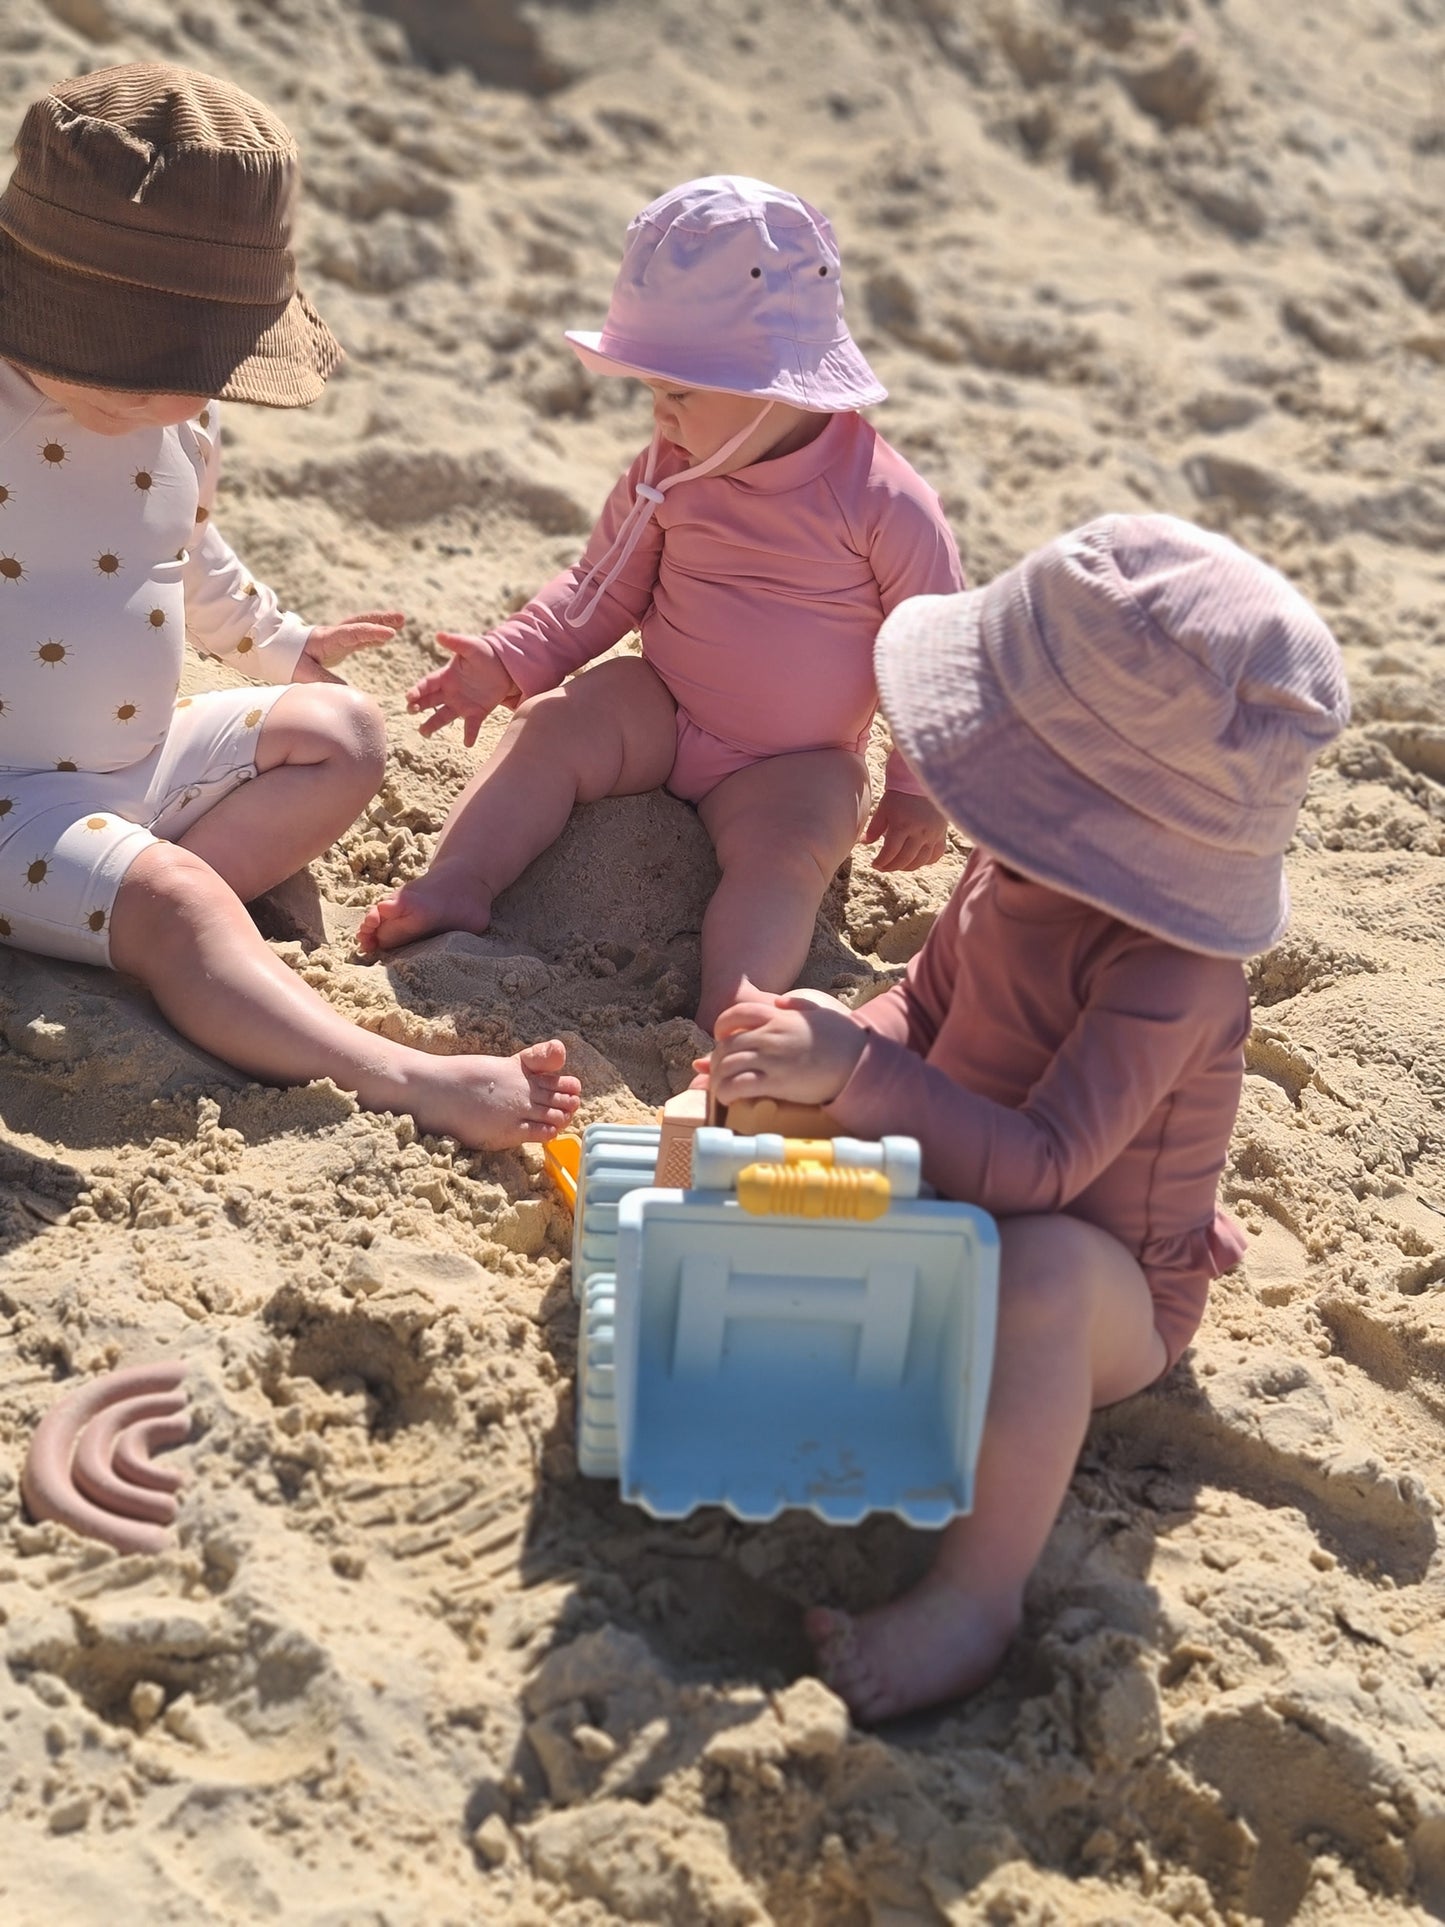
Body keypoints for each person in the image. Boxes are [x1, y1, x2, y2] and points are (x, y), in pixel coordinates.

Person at [705, 514, 1350, 1721]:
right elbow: (922, 1004)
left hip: (1103, 1292)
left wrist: (861, 1076)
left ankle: (976, 1591)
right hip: (960, 1191)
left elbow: (1046, 1170)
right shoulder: (1008, 870)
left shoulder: (1171, 976)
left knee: (1042, 1273)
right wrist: (825, 1051)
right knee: (805, 1133)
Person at [0, 63, 579, 1148]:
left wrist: (283, 642)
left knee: (341, 735)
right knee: (176, 904)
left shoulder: (174, 422)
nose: (200, 397)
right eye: (172, 370)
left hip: (128, 773)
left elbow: (186, 550)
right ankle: (401, 1072)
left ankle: (142, 923)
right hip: (8, 799)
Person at [357, 175, 964, 1031]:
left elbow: (933, 651)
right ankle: (458, 880)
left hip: (794, 759)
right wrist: (510, 659)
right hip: (663, 705)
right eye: (652, 392)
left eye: (679, 394)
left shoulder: (880, 500)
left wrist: (917, 790)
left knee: (785, 859)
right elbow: (596, 588)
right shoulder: (665, 473)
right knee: (555, 723)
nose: (659, 415)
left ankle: (738, 1006)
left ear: (777, 386)